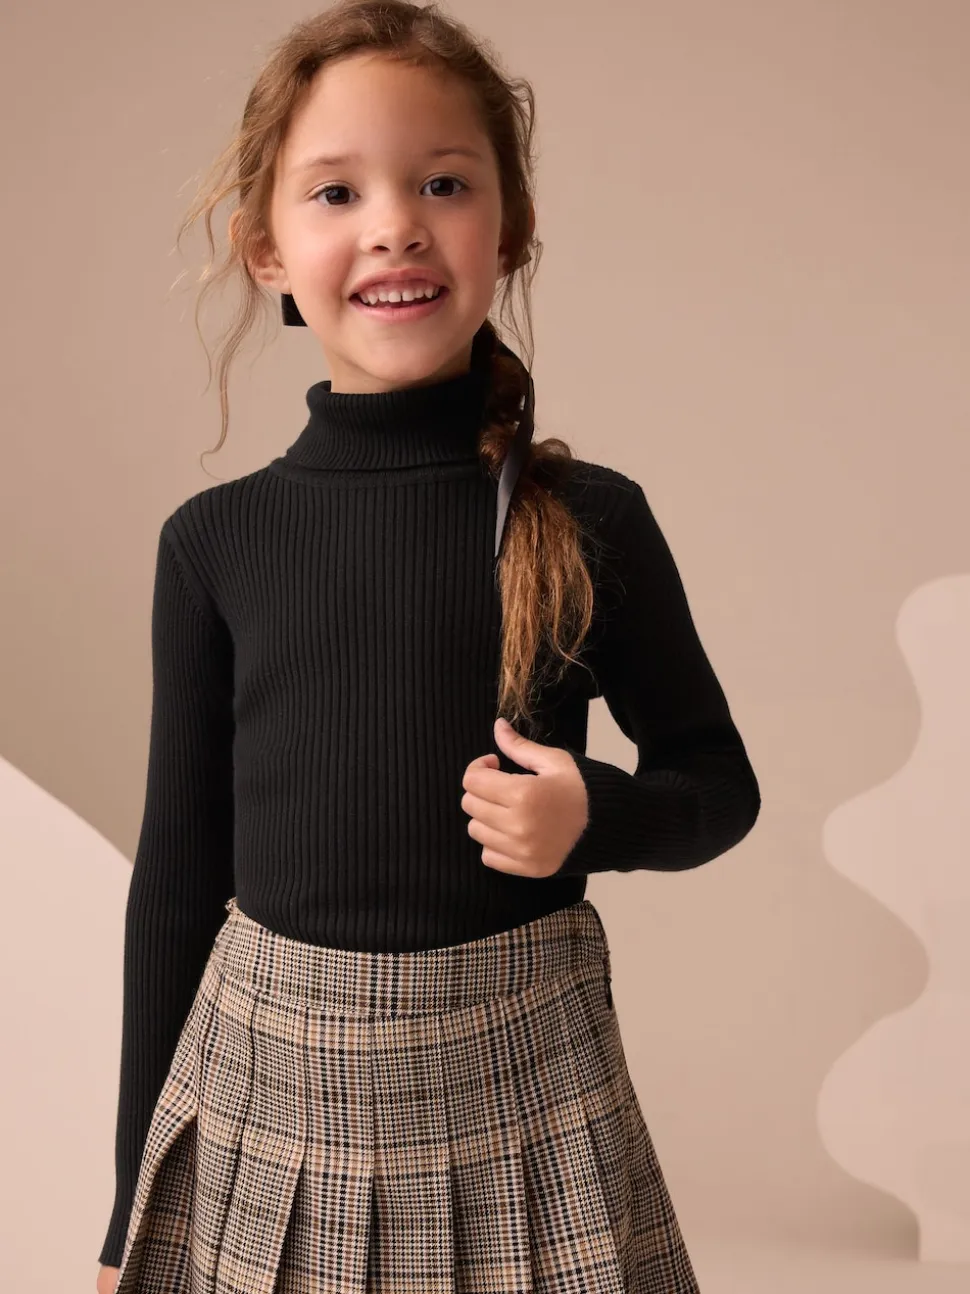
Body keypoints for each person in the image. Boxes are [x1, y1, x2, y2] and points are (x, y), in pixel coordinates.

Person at [96, 2, 761, 1290]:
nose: (395, 224)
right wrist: (133, 1215)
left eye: (443, 183)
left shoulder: (591, 519)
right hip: (267, 1103)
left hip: (533, 1090)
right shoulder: (215, 542)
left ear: (510, 229)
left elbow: (718, 783)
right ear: (265, 251)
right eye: (336, 191)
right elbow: (175, 881)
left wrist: (596, 819)